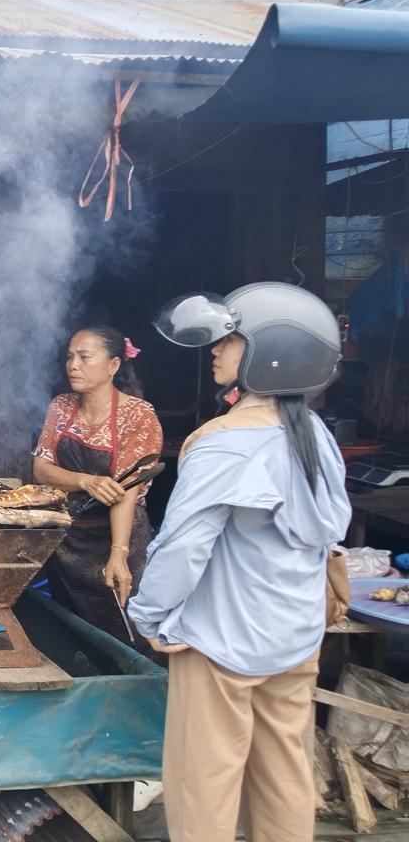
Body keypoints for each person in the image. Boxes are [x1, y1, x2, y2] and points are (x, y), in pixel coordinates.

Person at [130, 283, 349, 842]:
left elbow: (183, 546)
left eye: (229, 339)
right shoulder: (316, 435)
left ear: (268, 353)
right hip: (295, 639)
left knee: (204, 784)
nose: (215, 350)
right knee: (284, 777)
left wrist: (150, 616)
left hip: (222, 641)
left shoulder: (225, 441)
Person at [32, 326, 163, 646]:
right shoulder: (61, 406)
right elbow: (41, 469)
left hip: (118, 539)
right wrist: (86, 481)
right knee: (71, 632)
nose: (73, 365)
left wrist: (118, 554)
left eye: (84, 357)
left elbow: (126, 493)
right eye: (70, 357)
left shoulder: (138, 415)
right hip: (69, 541)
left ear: (114, 366)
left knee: (125, 634)